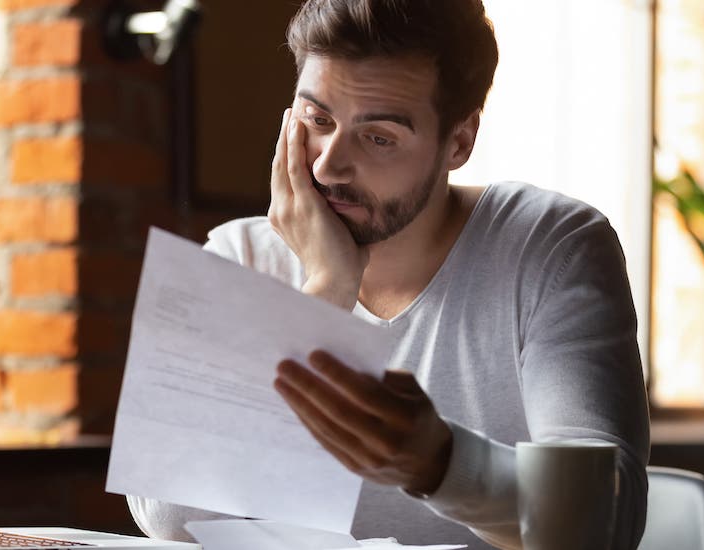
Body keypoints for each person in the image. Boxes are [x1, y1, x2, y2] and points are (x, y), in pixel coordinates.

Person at [128, 0, 650, 548]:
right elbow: (167, 515)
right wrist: (323, 295)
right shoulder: (238, 256)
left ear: (459, 142)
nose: (328, 165)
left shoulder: (552, 247)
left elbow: (605, 522)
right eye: (317, 120)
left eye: (378, 137)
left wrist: (440, 465)